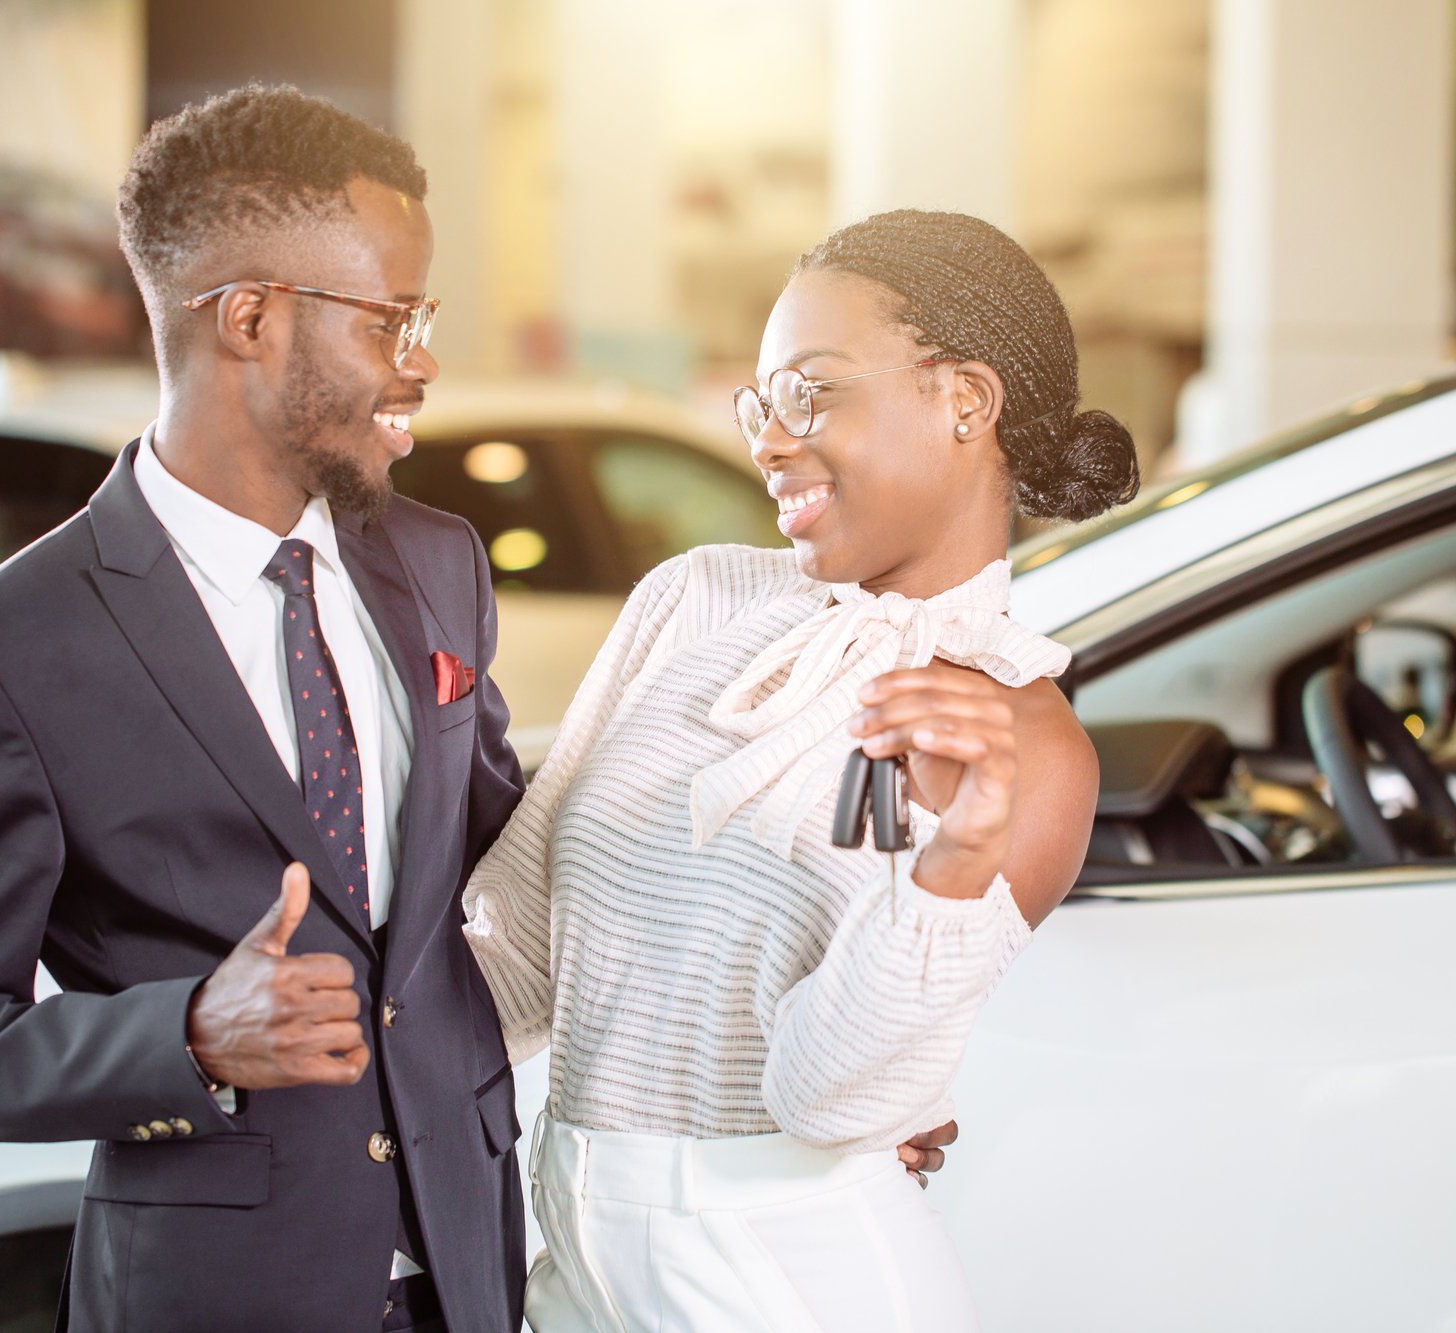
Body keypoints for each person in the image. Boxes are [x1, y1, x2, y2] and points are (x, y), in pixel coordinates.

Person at [0, 85, 528, 1332]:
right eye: (392, 318)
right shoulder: (3, 653)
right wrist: (189, 1032)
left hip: (464, 1266)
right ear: (252, 318)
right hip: (221, 1298)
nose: (420, 358)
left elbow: (518, 863)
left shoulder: (440, 565)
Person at [462, 208, 1137, 1331]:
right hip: (573, 1243)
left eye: (810, 393)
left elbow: (827, 1097)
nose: (768, 442)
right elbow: (514, 956)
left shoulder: (1024, 742)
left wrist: (955, 859)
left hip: (785, 1275)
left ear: (963, 399)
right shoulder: (693, 600)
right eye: (760, 402)